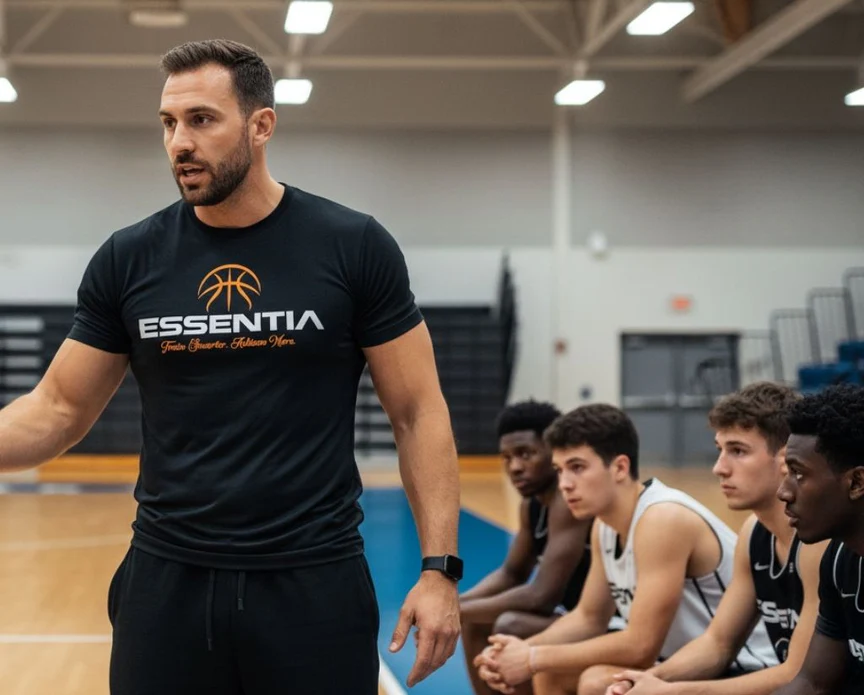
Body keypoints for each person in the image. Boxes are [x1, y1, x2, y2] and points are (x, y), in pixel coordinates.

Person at [0, 39, 462, 694]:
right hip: (167, 582)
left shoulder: (353, 246)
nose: (178, 142)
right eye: (168, 123)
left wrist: (439, 569)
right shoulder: (129, 259)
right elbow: (57, 408)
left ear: (261, 124)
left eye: (201, 119)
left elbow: (418, 411)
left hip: (313, 581)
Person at [475, 403, 775, 695]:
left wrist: (531, 658)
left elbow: (640, 645)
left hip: (739, 666)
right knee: (554, 673)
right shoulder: (605, 525)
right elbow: (589, 618)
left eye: (577, 467)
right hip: (681, 661)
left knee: (594, 681)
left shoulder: (662, 518)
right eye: (560, 469)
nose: (564, 483)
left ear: (620, 467)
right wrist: (520, 651)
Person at [604, 382, 828, 695]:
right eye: (719, 450)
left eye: (738, 451)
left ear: (785, 459)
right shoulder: (753, 533)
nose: (719, 468)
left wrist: (673, 692)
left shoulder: (819, 544)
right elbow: (718, 643)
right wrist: (648, 680)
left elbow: (797, 674)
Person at [461, 400, 593, 695]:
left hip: (604, 626)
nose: (515, 467)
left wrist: (455, 611)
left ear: (554, 450)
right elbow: (511, 573)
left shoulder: (567, 501)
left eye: (526, 454)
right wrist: (455, 605)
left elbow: (541, 597)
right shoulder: (531, 506)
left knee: (511, 626)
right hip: (573, 619)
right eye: (506, 458)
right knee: (476, 622)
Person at [772, 383, 864, 695]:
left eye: (798, 473)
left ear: (857, 482)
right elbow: (812, 684)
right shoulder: (839, 558)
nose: (783, 491)